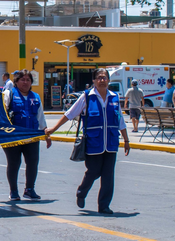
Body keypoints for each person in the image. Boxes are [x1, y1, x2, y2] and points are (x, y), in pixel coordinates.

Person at [45, 68, 130, 215]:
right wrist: (53, 129)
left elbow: (120, 120)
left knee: (108, 175)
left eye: (104, 78)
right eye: (99, 78)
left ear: (109, 80)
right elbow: (69, 114)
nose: (102, 80)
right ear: (94, 81)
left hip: (110, 143)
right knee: (93, 171)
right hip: (93, 143)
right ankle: (81, 191)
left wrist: (126, 140)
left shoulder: (114, 97)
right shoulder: (87, 97)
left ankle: (104, 206)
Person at [2, 69, 51, 201]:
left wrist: (46, 133)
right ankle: (13, 191)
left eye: (28, 80)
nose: (25, 82)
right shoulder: (9, 94)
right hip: (13, 137)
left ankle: (29, 189)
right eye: (22, 79)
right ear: (16, 82)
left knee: (32, 162)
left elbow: (40, 117)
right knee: (14, 163)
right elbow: (1, 114)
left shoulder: (36, 97)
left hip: (32, 136)